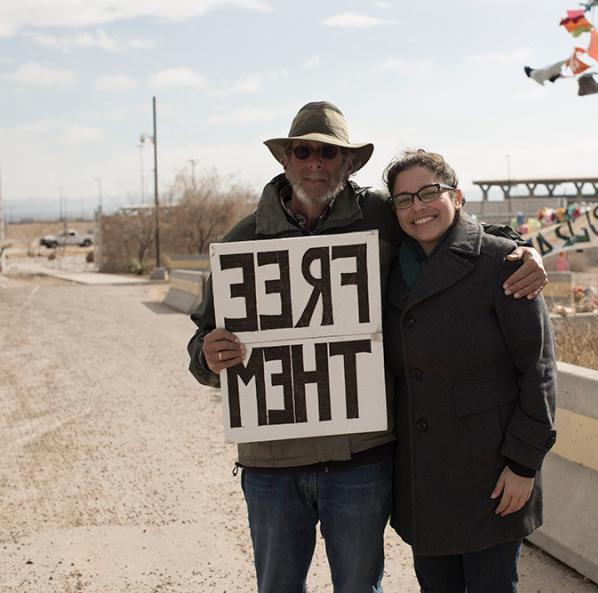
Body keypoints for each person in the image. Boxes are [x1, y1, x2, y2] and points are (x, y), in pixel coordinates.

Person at [186, 102, 548, 593]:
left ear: (348, 164)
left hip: (360, 462)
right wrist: (208, 357)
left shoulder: (381, 215)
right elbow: (201, 342)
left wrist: (522, 247)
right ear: (285, 160)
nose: (316, 162)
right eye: (304, 151)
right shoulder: (243, 241)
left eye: (329, 153)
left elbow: (447, 228)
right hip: (272, 466)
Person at [382, 149, 557, 593]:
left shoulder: (505, 263)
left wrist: (524, 463)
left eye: (428, 193)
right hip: (424, 478)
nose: (417, 207)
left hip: (492, 475)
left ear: (457, 197)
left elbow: (537, 370)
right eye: (404, 200)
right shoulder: (387, 271)